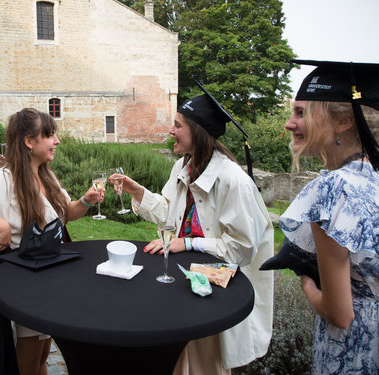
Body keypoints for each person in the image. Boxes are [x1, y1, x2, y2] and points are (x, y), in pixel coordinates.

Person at [111, 88, 274, 374]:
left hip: (216, 296)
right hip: (182, 287)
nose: (170, 130)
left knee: (205, 365)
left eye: (177, 125)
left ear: (198, 131)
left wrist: (186, 244)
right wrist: (137, 191)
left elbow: (241, 249)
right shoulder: (182, 167)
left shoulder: (233, 180)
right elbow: (167, 215)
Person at [0, 108, 102, 375]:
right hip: (23, 281)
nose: (56, 141)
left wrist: (84, 201)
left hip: (48, 278)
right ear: (29, 141)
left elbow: (65, 215)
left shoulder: (47, 177)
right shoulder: (4, 179)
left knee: (42, 356)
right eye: (49, 135)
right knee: (27, 362)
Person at [280, 60, 379, 374]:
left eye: (301, 113)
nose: (290, 123)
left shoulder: (332, 191)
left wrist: (309, 284)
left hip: (353, 351)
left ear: (344, 122)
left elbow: (339, 314)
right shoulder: (372, 178)